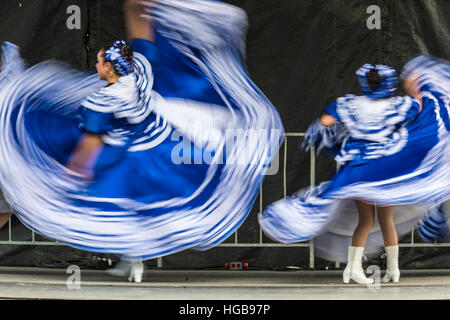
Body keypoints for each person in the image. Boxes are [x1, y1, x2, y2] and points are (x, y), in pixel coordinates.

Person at [0, 0, 284, 282]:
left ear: (110, 68)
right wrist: (139, 6)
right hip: (157, 148)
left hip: (126, 155)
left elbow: (92, 141)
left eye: (100, 61)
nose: (96, 65)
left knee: (118, 202)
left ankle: (133, 258)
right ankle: (134, 258)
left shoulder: (105, 99)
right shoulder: (142, 71)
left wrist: (75, 173)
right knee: (143, 209)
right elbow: (141, 34)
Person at [259, 57, 450, 284]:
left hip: (359, 170)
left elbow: (326, 121)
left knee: (366, 220)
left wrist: (340, 134)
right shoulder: (399, 105)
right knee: (386, 220)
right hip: (385, 168)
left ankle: (353, 268)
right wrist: (414, 87)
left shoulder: (350, 105)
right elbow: (418, 107)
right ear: (388, 84)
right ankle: (392, 270)